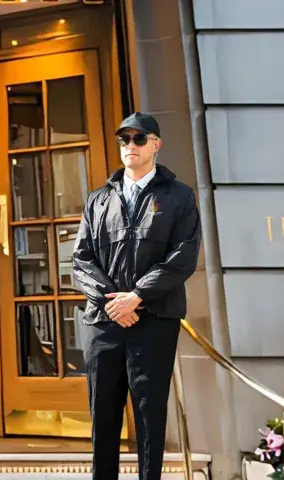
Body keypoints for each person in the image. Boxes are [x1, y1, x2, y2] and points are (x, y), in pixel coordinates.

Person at [72, 112, 202, 480]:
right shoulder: (98, 200)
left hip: (154, 321)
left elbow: (183, 258)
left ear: (156, 145)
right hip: (104, 323)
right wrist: (112, 303)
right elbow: (81, 262)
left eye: (139, 139)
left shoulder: (179, 197)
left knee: (149, 416)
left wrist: (137, 297)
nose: (130, 146)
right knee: (104, 416)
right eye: (124, 139)